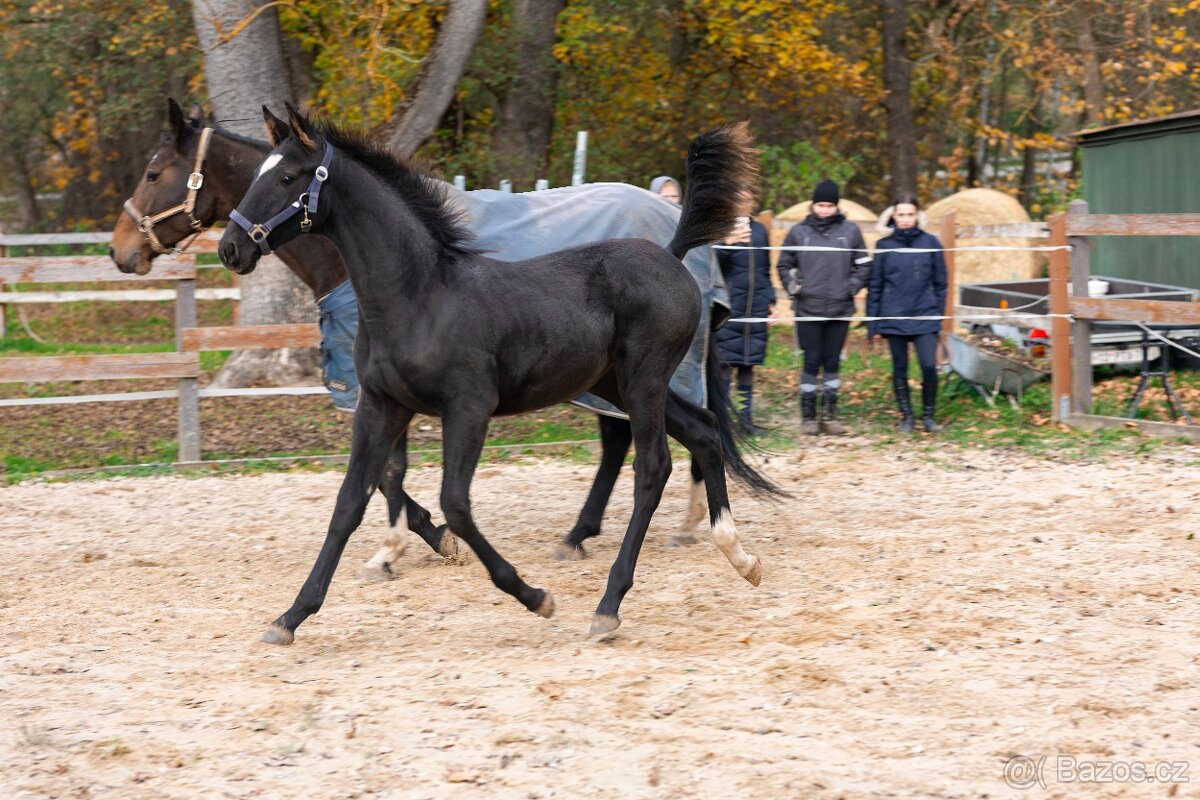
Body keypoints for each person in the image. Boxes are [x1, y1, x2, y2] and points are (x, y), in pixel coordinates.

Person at [776, 179, 871, 435]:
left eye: (829, 205)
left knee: (832, 362)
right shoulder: (799, 232)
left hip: (840, 309)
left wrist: (849, 288)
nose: (825, 210)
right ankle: (808, 416)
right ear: (813, 205)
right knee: (811, 360)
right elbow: (783, 264)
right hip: (808, 308)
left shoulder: (850, 231)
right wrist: (794, 286)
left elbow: (864, 265)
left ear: (836, 206)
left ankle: (830, 415)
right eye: (821, 205)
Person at [867, 195, 948, 433]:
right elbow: (875, 285)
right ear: (893, 216)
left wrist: (937, 315)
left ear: (917, 216)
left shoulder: (931, 243)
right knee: (899, 367)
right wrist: (873, 324)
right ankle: (907, 417)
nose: (905, 219)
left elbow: (941, 282)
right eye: (900, 214)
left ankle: (929, 417)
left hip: (924, 316)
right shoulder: (884, 246)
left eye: (910, 214)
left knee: (929, 366)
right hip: (894, 316)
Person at [716, 214, 774, 430]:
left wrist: (771, 300)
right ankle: (721, 419)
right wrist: (726, 243)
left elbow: (765, 270)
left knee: (748, 363)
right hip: (728, 306)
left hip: (756, 306)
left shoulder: (760, 230)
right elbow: (711, 265)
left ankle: (745, 418)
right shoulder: (719, 226)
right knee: (725, 364)